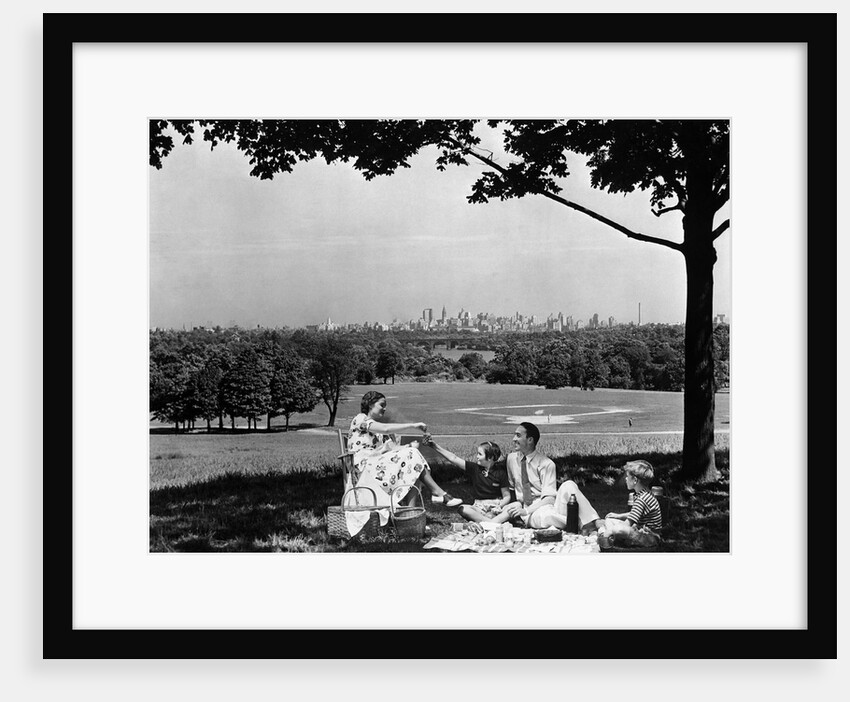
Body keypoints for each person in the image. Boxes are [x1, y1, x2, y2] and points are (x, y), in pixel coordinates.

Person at [347, 391, 462, 518]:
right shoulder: (360, 419)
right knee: (412, 457)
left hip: (377, 466)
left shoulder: (378, 430)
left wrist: (410, 446)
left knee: (412, 461)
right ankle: (436, 494)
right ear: (370, 405)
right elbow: (386, 428)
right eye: (382, 405)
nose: (385, 408)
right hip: (363, 469)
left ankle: (413, 512)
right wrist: (413, 425)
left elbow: (393, 448)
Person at [503, 421, 600, 531]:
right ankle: (583, 524)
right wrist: (517, 509)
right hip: (531, 513)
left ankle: (593, 521)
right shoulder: (511, 459)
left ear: (530, 440)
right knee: (547, 517)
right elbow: (512, 488)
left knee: (569, 484)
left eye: (518, 435)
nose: (513, 439)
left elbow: (549, 498)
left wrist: (526, 511)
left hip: (547, 506)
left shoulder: (547, 464)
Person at [425, 438, 513, 523]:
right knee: (463, 508)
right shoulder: (475, 468)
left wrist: (499, 506)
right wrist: (435, 446)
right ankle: (492, 522)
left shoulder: (500, 473)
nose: (477, 457)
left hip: (496, 505)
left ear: (490, 457)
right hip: (479, 507)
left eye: (480, 454)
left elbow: (506, 496)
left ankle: (486, 521)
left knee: (515, 506)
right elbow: (453, 458)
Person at [598, 460, 662, 549]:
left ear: (635, 480)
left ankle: (608, 539)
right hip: (642, 531)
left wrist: (612, 530)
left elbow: (627, 524)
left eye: (627, 477)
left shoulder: (641, 499)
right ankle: (614, 537)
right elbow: (636, 514)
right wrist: (618, 516)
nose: (626, 479)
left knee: (618, 529)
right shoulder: (645, 494)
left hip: (649, 537)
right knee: (609, 520)